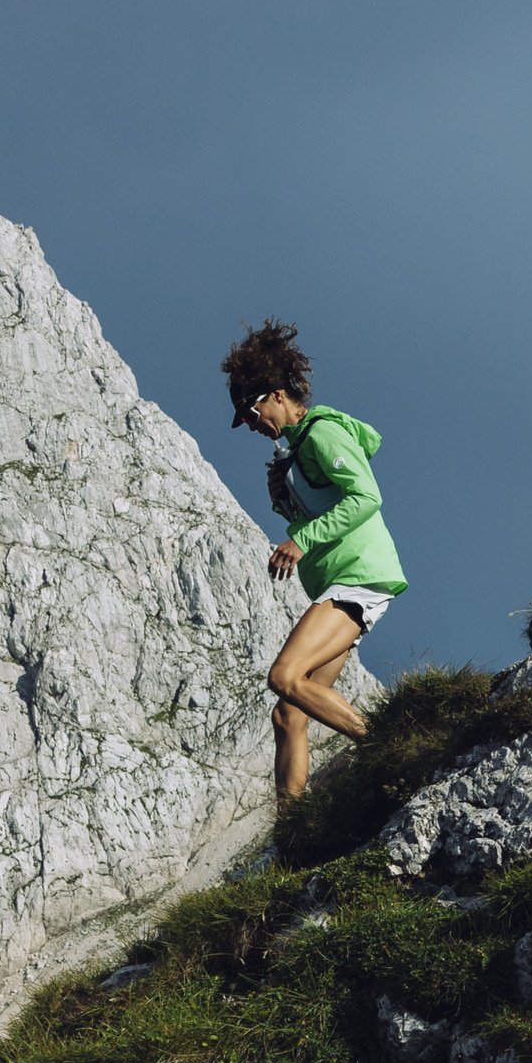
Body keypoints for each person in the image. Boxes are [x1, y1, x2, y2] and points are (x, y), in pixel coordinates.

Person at [222, 318, 403, 801]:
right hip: (338, 582)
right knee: (287, 713)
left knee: (283, 677)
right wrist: (283, 502)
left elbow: (365, 497)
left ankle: (392, 747)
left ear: (277, 395)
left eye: (252, 410)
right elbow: (323, 509)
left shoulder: (322, 434)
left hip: (359, 578)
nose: (252, 424)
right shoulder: (296, 452)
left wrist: (299, 539)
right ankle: (292, 832)